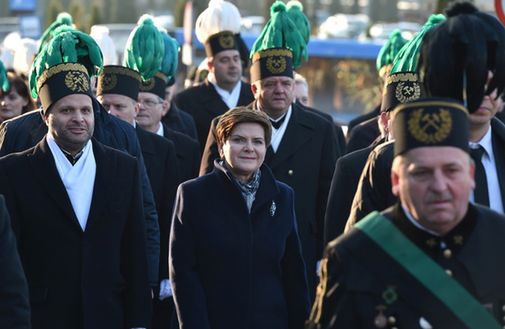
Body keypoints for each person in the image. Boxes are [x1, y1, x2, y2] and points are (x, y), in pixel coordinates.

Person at [307, 98, 505, 328]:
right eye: (422, 173)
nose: (440, 186)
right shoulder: (353, 255)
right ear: (396, 180)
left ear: (470, 174)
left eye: (452, 170)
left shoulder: (499, 238)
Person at [0, 21, 161, 291]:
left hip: (106, 286)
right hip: (37, 286)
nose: (77, 118)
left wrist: (147, 284)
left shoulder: (121, 134)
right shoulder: (16, 132)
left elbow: (144, 214)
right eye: (65, 110)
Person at [200, 1, 338, 300]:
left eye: (286, 83)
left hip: (302, 246)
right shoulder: (224, 124)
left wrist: (326, 251)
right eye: (271, 83)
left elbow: (329, 195)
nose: (280, 90)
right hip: (236, 248)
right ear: (254, 89)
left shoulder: (322, 128)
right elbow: (206, 189)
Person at [346, 3, 505, 228]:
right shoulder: (388, 160)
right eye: (473, 82)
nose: (484, 95)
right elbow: (355, 253)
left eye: (492, 83)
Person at [170, 107, 309, 329]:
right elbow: (184, 274)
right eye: (238, 140)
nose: (249, 148)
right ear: (221, 146)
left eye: (257, 141)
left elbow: (293, 272)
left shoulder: (283, 195)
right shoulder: (193, 194)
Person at [173, 0, 254, 150]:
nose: (232, 65)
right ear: (210, 65)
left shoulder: (254, 96)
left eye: (236, 59)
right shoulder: (186, 101)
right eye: (224, 60)